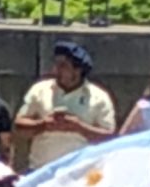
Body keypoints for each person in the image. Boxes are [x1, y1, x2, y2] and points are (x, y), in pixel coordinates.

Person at [15, 40, 119, 174]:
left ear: (77, 70)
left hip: (79, 173)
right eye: (56, 65)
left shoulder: (99, 97)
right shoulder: (40, 89)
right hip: (41, 170)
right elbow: (18, 125)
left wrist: (78, 127)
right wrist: (43, 124)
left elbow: (110, 137)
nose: (56, 71)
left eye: (62, 66)